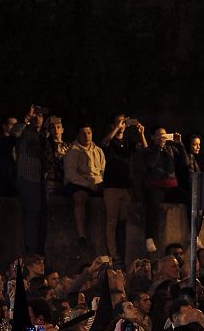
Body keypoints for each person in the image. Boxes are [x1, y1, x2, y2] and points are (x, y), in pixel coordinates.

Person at [101, 114, 147, 267]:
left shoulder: (128, 142)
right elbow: (104, 142)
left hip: (125, 186)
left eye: (124, 122)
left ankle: (121, 253)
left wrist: (141, 133)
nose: (122, 125)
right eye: (119, 122)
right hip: (111, 187)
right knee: (111, 222)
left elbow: (145, 149)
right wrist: (116, 127)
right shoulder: (111, 141)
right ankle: (114, 255)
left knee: (122, 223)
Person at [139, 127, 189, 253]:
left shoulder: (171, 149)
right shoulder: (149, 150)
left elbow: (185, 163)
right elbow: (151, 164)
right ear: (152, 137)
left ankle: (194, 234)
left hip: (171, 187)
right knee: (152, 204)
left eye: (164, 135)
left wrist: (180, 145)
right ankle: (149, 238)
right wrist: (159, 148)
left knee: (190, 198)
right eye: (159, 135)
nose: (162, 137)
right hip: (155, 186)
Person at [12, 105, 48, 254]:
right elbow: (14, 132)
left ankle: (39, 250)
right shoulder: (25, 132)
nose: (37, 118)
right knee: (31, 215)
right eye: (35, 115)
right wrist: (27, 117)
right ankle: (32, 251)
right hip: (28, 179)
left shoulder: (45, 135)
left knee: (41, 217)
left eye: (40, 115)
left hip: (42, 181)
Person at [64, 124, 105, 245]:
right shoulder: (72, 151)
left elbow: (103, 170)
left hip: (96, 182)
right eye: (83, 133)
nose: (87, 136)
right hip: (78, 182)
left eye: (89, 133)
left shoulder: (98, 151)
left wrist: (99, 183)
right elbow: (71, 174)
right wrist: (88, 185)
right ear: (78, 135)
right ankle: (81, 234)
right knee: (80, 198)